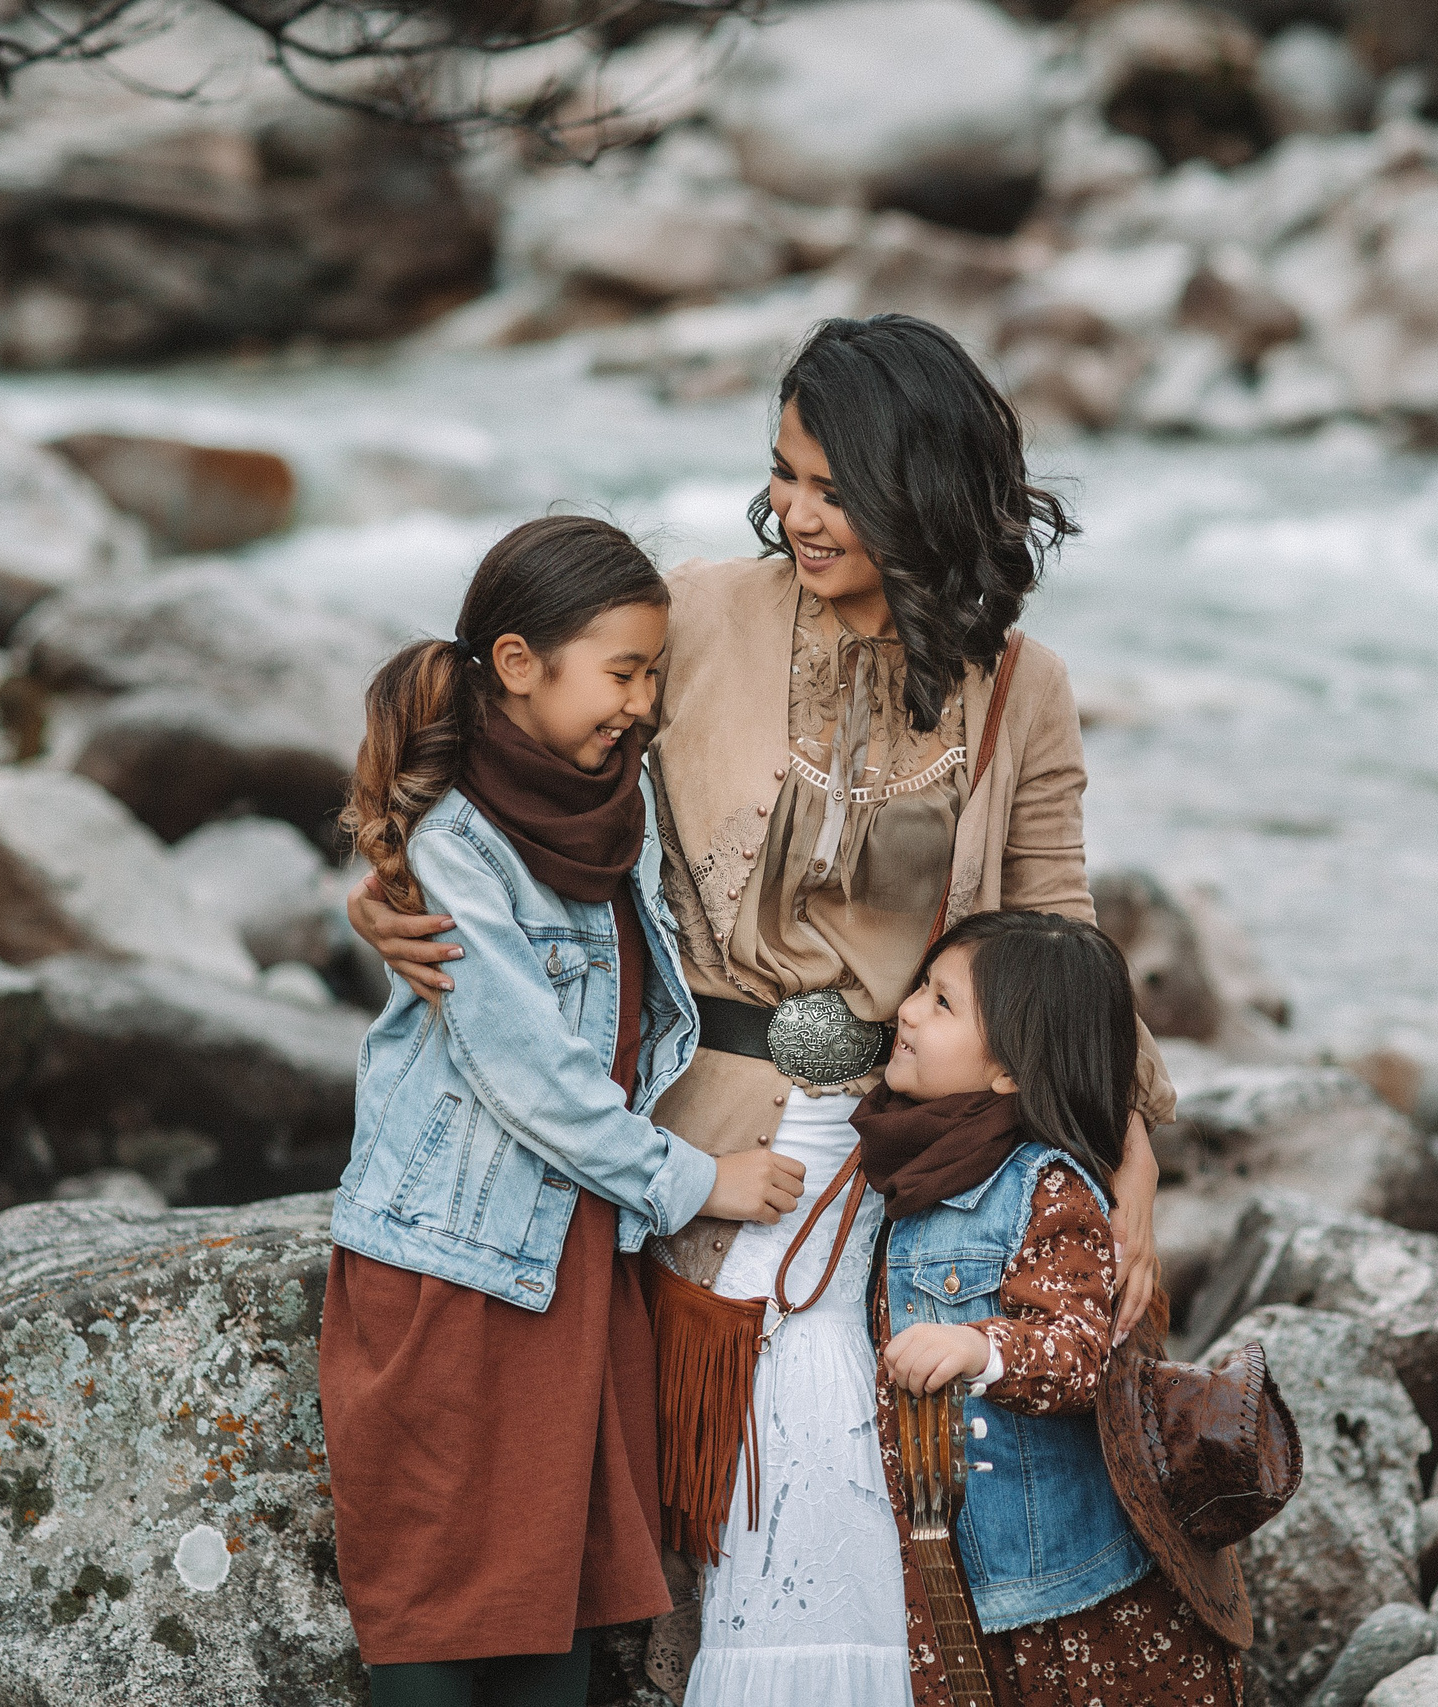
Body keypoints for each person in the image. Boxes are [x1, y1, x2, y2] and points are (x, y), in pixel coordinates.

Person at [346, 314, 1177, 1704]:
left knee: (901, 1505)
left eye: (832, 484)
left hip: (921, 1154)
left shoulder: (1024, 688)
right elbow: (510, 758)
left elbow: (1060, 936)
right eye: (783, 473)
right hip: (699, 1137)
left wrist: (1132, 1154)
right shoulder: (698, 616)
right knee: (720, 1521)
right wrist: (378, 882)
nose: (794, 510)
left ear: (920, 485)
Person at [320, 515, 806, 1707]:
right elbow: (528, 1073)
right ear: (519, 665)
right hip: (454, 1268)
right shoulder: (458, 851)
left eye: (653, 675)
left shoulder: (614, 808)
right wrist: (699, 1180)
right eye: (623, 673)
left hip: (574, 1259)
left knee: (561, 1603)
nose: (642, 703)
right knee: (434, 1609)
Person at [867, 911, 1243, 1707]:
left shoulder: (1046, 1184)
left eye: (941, 1004)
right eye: (921, 988)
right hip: (947, 1570)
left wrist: (978, 1346)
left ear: (1008, 1071)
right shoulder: (912, 1160)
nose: (905, 1009)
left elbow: (1078, 1351)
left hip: (1053, 1577)